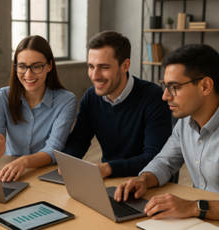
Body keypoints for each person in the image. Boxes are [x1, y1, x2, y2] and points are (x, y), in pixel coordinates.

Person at [114, 43, 219, 221]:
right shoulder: (184, 123)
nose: (165, 96)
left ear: (205, 86)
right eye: (165, 86)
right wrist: (143, 180)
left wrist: (194, 207)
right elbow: (165, 162)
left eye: (174, 87)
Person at [61, 31, 171, 178]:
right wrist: (68, 161)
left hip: (148, 181)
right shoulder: (91, 96)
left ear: (125, 65)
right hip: (110, 178)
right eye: (91, 66)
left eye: (104, 67)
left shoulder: (154, 97)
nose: (94, 76)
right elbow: (79, 140)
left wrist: (109, 168)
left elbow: (155, 157)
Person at [0, 35, 77, 182]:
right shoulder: (3, 97)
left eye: (36, 66)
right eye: (22, 66)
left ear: (49, 65)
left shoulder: (66, 100)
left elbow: (54, 149)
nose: (28, 74)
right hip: (9, 172)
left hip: (46, 175)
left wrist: (24, 161)